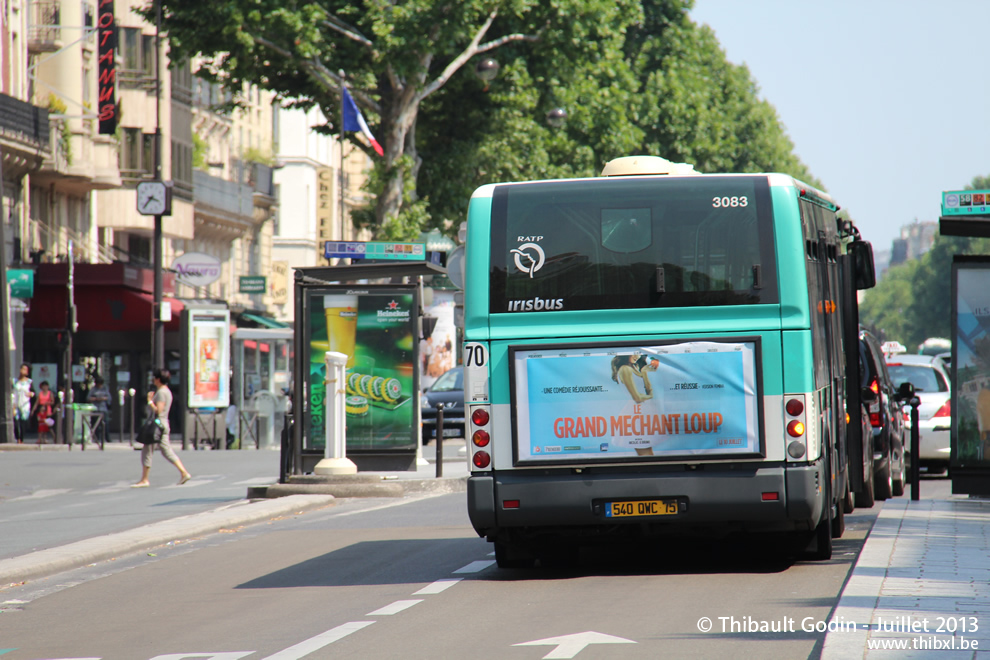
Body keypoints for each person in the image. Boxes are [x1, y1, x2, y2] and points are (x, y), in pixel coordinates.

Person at [132, 369, 192, 487]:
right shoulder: (166, 391)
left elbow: (158, 410)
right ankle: (183, 472)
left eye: (154, 377)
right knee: (166, 451)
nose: (153, 379)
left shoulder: (161, 392)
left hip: (157, 424)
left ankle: (145, 479)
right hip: (163, 424)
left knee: (147, 451)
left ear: (158, 379)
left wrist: (149, 402)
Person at [610, 354, 658, 456]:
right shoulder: (625, 369)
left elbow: (647, 391)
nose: (637, 356)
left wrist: (644, 372)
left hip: (643, 411)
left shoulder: (634, 367)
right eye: (634, 353)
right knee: (646, 454)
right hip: (636, 413)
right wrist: (650, 396)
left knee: (648, 453)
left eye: (638, 353)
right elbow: (637, 398)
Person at [12, 363, 34, 443]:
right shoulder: (15, 381)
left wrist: (30, 394)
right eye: (22, 369)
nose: (23, 371)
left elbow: (33, 393)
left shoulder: (29, 382)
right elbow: (12, 393)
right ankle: (18, 438)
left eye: (25, 369)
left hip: (25, 405)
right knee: (16, 422)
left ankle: (22, 438)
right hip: (16, 404)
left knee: (23, 422)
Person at [87, 376, 112, 444]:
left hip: (103, 409)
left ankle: (107, 438)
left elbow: (108, 398)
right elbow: (88, 398)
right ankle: (96, 438)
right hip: (95, 409)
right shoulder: (93, 389)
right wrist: (95, 399)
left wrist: (102, 398)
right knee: (95, 424)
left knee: (105, 424)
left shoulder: (105, 389)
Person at [32, 380, 56, 444]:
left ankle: (54, 437)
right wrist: (33, 410)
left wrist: (47, 403)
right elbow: (37, 402)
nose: (44, 387)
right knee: (41, 425)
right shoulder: (40, 393)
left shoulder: (50, 393)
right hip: (41, 410)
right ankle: (41, 439)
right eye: (43, 386)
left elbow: (52, 402)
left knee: (48, 426)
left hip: (48, 411)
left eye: (46, 386)